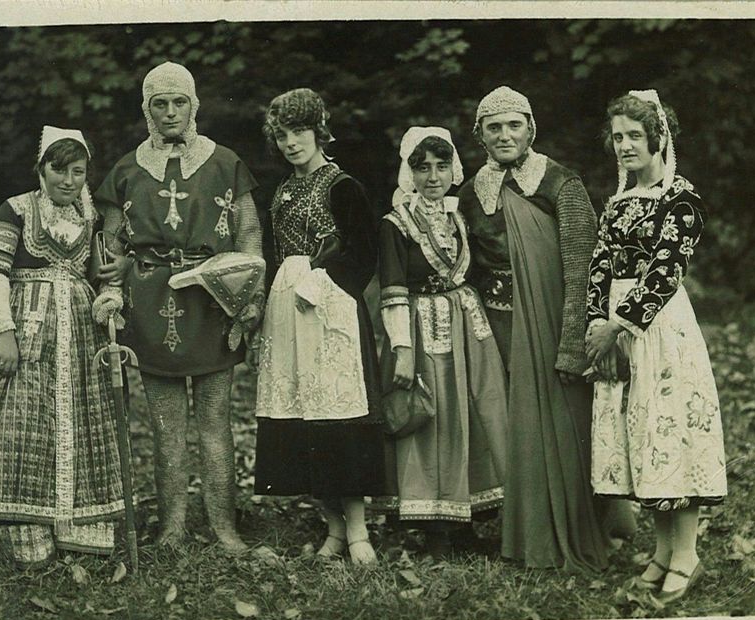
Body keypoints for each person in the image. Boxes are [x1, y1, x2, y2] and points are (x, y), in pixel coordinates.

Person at [92, 61, 264, 553]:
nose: (170, 112)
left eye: (179, 102)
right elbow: (110, 243)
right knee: (167, 430)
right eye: (159, 103)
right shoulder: (126, 170)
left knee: (215, 425)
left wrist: (247, 299)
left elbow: (249, 236)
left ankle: (226, 531)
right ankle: (172, 529)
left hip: (212, 300)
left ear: (195, 105)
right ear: (146, 109)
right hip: (150, 305)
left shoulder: (225, 162)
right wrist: (112, 285)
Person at [458, 86, 626, 572]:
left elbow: (584, 267)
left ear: (531, 129)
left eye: (514, 125)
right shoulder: (471, 193)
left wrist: (574, 344)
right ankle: (525, 529)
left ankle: (575, 528)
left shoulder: (560, 182)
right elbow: (465, 266)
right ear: (480, 136)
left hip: (555, 322)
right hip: (499, 324)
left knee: (563, 424)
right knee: (513, 424)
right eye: (494, 127)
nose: (505, 135)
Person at [586, 90, 726, 602]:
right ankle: (662, 551)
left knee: (667, 435)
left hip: (658, 331)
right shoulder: (619, 202)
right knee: (640, 442)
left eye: (634, 136)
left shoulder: (681, 201)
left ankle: (686, 553)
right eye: (617, 136)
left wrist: (618, 326)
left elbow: (664, 273)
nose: (624, 146)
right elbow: (600, 267)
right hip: (615, 334)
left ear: (658, 138)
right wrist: (594, 327)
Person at [0, 126, 124, 567]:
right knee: (21, 416)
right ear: (41, 168)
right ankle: (23, 524)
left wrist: (111, 298)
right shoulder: (15, 210)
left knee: (81, 418)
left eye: (78, 171)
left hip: (80, 335)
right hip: (28, 330)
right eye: (58, 169)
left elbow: (103, 277)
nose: (68, 180)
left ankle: (78, 522)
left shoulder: (91, 217)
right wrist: (4, 331)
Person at [253, 88, 382, 565]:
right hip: (285, 312)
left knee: (338, 416)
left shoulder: (342, 186)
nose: (291, 143)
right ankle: (331, 529)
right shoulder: (282, 192)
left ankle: (359, 530)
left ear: (319, 131)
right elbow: (273, 257)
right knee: (301, 418)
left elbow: (364, 255)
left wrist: (323, 286)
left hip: (331, 312)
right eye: (282, 135)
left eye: (300, 132)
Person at [378, 126, 507, 559]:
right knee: (434, 418)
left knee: (472, 412)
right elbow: (393, 286)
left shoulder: (458, 217)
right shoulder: (396, 223)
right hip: (421, 327)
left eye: (441, 166)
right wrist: (402, 347)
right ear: (408, 172)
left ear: (454, 169)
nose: (433, 176)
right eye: (422, 167)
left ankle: (467, 518)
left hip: (467, 325)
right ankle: (435, 528)